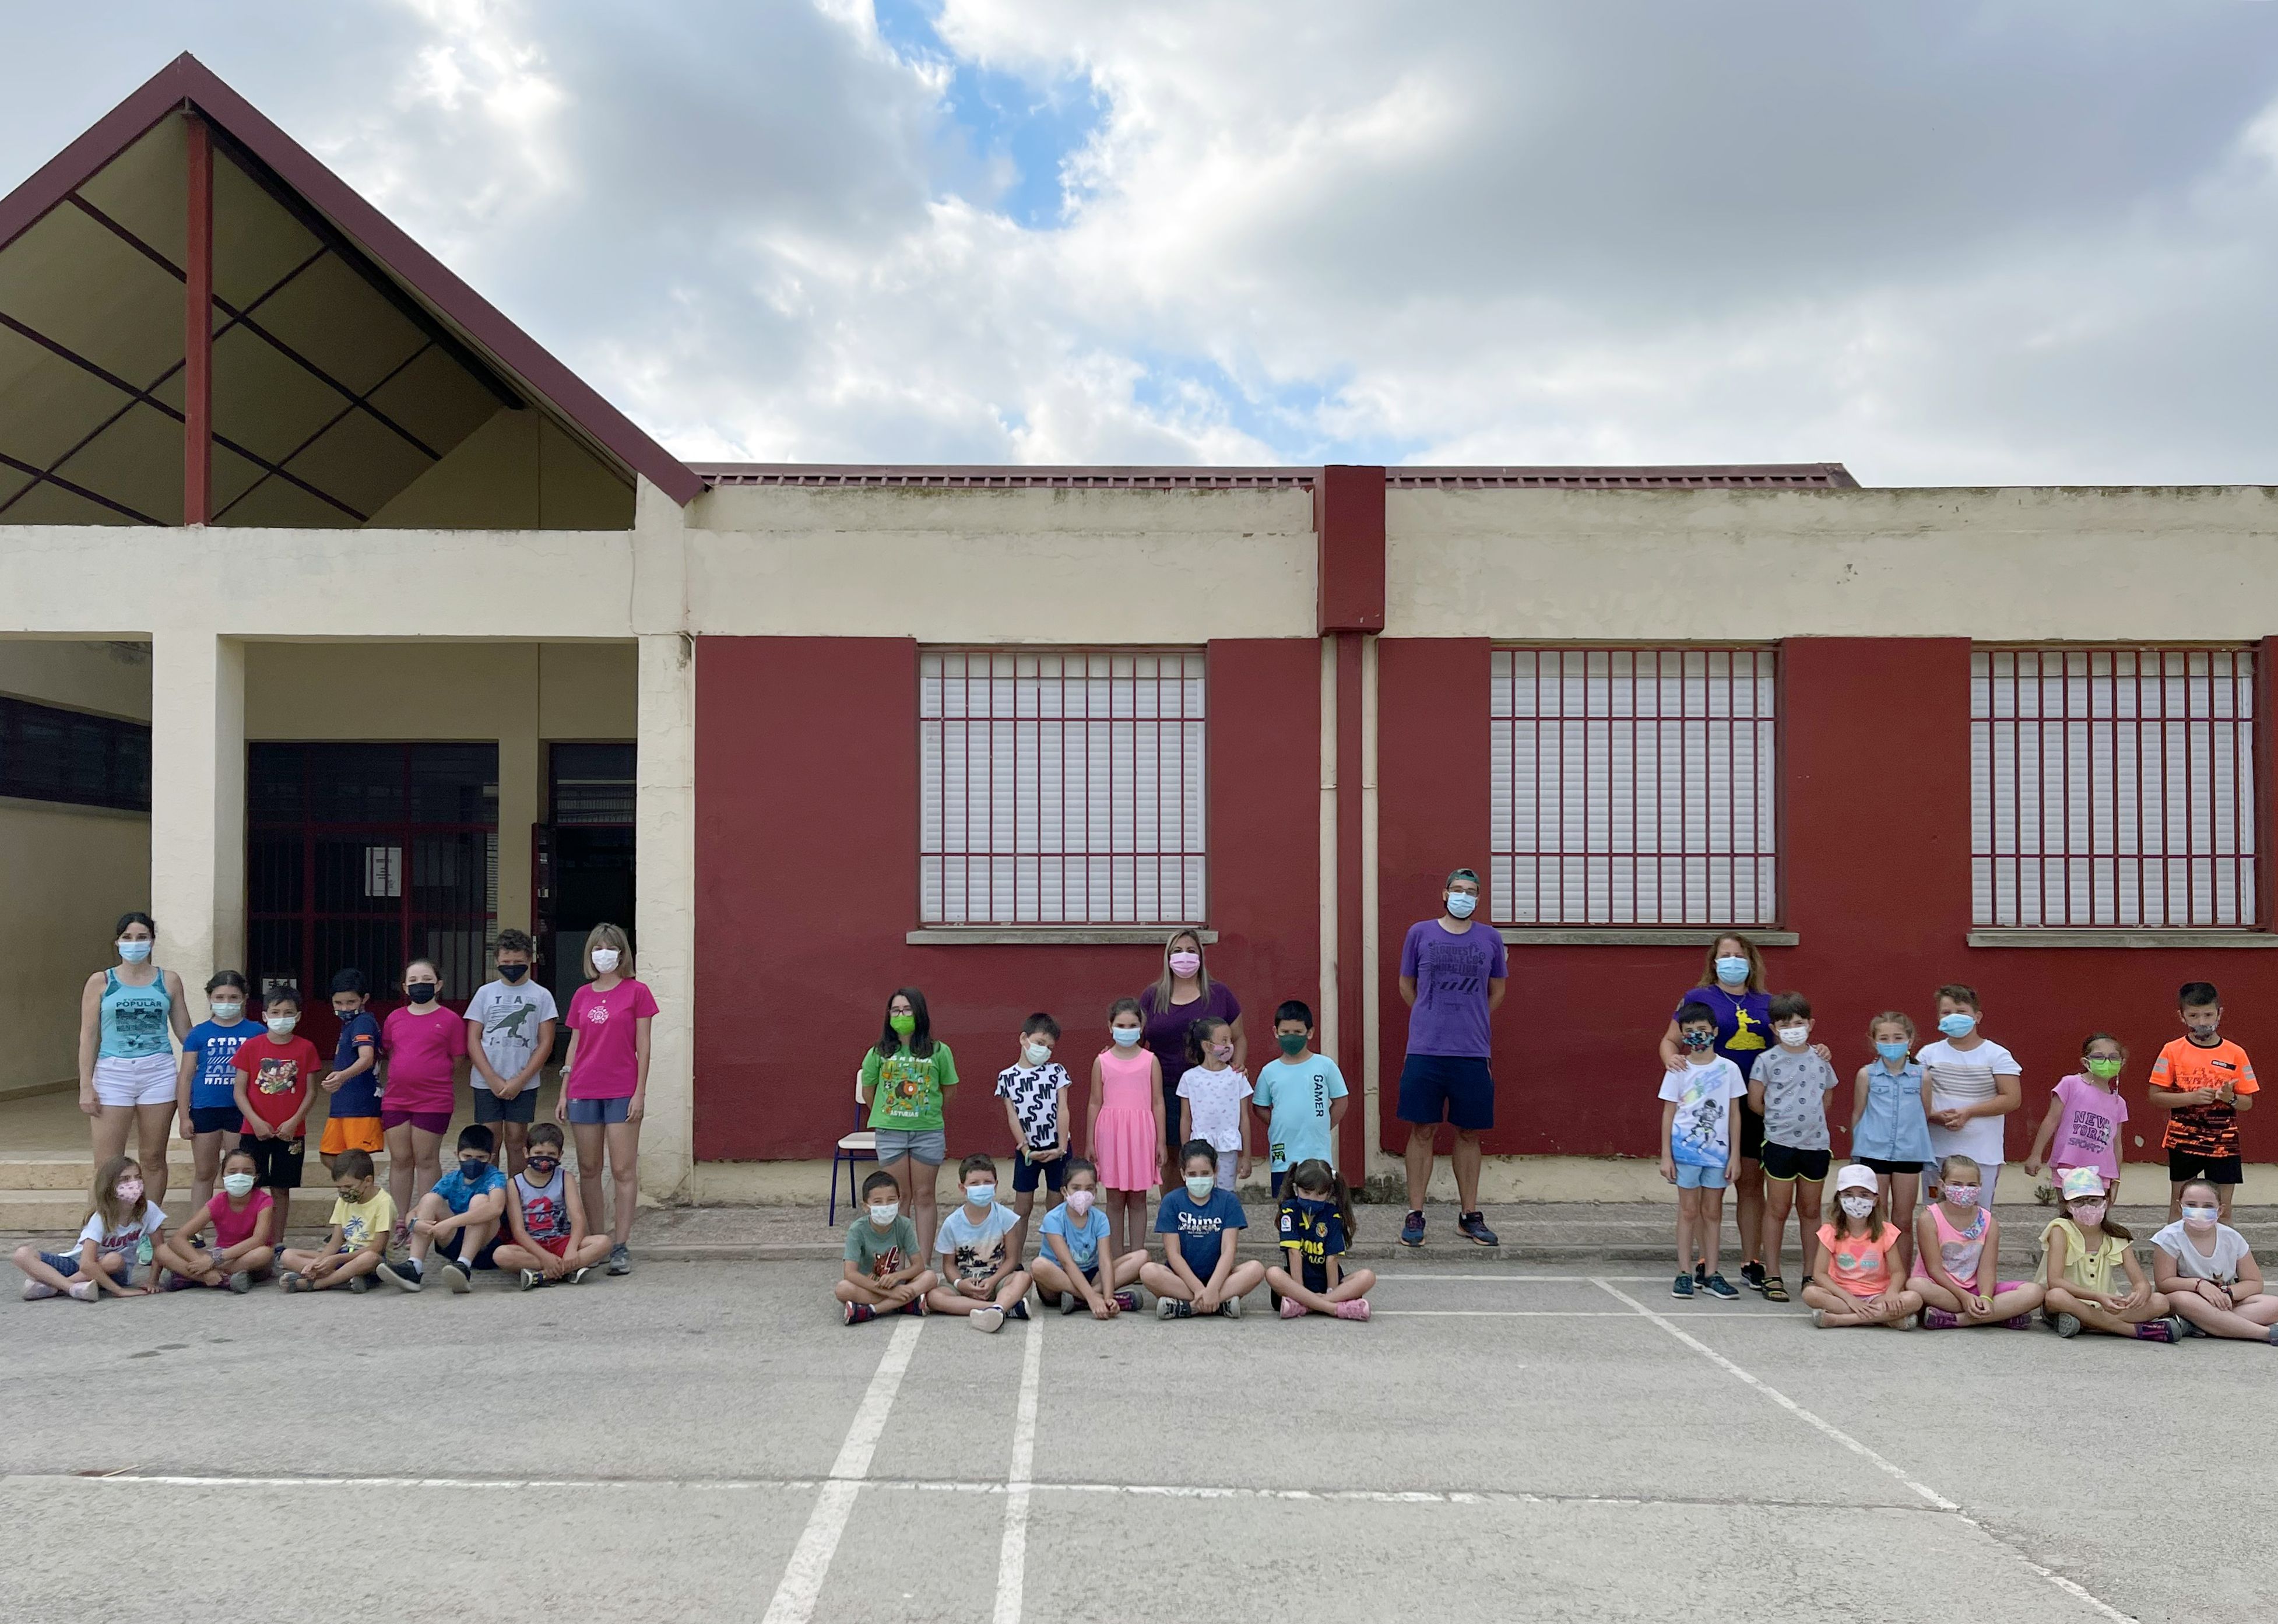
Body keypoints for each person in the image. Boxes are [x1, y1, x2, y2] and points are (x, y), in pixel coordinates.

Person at [1657, 932, 1829, 1293]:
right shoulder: (1697, 997)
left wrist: (1820, 1051)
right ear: (1714, 961)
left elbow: (1790, 1039)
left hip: (1757, 1104)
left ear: (1750, 961)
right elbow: (1671, 1040)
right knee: (1709, 1193)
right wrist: (1671, 1061)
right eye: (1725, 955)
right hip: (1711, 1105)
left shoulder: (1767, 1002)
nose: (1732, 960)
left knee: (1751, 1184)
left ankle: (1753, 1262)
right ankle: (1705, 1260)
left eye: (1739, 955)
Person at [1395, 867, 1508, 1249]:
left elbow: (1497, 991)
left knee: (1469, 1132)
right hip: (1425, 1050)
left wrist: (1468, 1019)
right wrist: (1432, 1016)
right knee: (1422, 1130)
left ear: (1479, 898)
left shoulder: (1490, 938)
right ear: (1444, 894)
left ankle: (1469, 1216)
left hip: (1473, 1052)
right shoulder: (1420, 933)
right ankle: (1415, 1213)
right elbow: (1407, 986)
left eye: (1471, 891)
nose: (1464, 896)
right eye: (1457, 890)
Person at [558, 923, 655, 1276]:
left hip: (621, 1090)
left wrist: (639, 1092)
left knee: (623, 1169)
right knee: (588, 1169)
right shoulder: (582, 995)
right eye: (597, 948)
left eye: (610, 948)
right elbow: (574, 1044)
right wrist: (565, 1089)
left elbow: (643, 1047)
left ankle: (621, 1244)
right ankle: (598, 1240)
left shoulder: (637, 992)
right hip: (584, 1088)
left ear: (622, 953)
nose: (603, 954)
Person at [78, 912, 190, 1212]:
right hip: (113, 1072)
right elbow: (88, 1037)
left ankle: (147, 1230)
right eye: (128, 938)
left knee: (153, 1157)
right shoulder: (101, 981)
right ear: (117, 942)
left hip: (158, 1072)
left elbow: (186, 1033)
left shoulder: (169, 980)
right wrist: (86, 1086)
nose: (135, 944)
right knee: (107, 1162)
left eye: (142, 937)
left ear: (152, 941)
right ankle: (100, 1228)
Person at [1749, 991, 1838, 1303]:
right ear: (1774, 1028)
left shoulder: (1821, 1058)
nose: (1792, 1029)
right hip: (1779, 1144)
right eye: (1785, 1024)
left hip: (1815, 1146)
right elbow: (1755, 1101)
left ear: (1811, 1024)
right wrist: (1781, 1120)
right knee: (1777, 1209)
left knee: (1811, 1210)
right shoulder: (1766, 1061)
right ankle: (1772, 1274)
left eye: (1799, 1023)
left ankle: (1812, 1274)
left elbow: (1827, 1097)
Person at [1138, 930, 1244, 1188]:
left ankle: (1212, 1215)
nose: (1184, 956)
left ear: (1201, 956)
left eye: (1191, 950)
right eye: (1177, 951)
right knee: (1173, 1157)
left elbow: (1239, 1037)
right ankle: (1176, 1218)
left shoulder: (1220, 994)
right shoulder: (1153, 996)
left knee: (1212, 1155)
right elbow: (1137, 1041)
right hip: (1166, 1089)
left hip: (1212, 1089)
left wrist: (1237, 1067)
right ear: (1167, 957)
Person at [857, 985, 954, 1263]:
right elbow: (869, 1091)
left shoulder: (939, 1051)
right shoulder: (878, 1052)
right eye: (896, 1010)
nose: (901, 1015)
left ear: (919, 1013)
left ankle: (922, 1264)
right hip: (891, 1133)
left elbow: (949, 1090)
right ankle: (896, 1263)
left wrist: (926, 1114)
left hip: (928, 1132)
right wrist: (890, 1114)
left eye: (907, 1009)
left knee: (925, 1195)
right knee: (899, 1199)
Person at [2149, 982, 2258, 1223]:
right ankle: (2174, 1259)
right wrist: (2191, 1098)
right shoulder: (2171, 1051)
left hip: (2224, 1142)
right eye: (2194, 1015)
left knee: (2223, 1209)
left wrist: (2229, 1098)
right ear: (2182, 1016)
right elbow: (2155, 1096)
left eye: (2208, 1014)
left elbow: (2247, 1102)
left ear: (2220, 1013)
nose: (2202, 1021)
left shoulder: (2236, 1053)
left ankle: (2224, 1260)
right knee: (2180, 1206)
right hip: (2183, 1140)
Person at [1659, 1001, 1744, 1300]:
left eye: (1703, 1031)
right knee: (1688, 1211)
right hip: (1685, 1155)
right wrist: (1666, 1155)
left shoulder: (1729, 1069)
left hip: (1717, 1156)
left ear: (1715, 1032)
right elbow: (1669, 1113)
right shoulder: (1678, 1069)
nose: (1697, 1036)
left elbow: (1734, 1114)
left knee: (1713, 1213)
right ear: (1682, 1035)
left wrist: (1734, 1155)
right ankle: (1683, 1272)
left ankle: (1710, 1273)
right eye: (1690, 1032)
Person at [2038, 1167, 2180, 1342]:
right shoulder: (2060, 1229)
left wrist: (2141, 1292)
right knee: (2055, 1296)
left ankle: (2086, 1323)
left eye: (2093, 1201)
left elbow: (2140, 1282)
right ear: (2067, 1205)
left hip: (2105, 1305)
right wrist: (2098, 1296)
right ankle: (2131, 1330)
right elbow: (2055, 1281)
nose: (2087, 1207)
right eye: (2079, 1202)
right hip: (2069, 1302)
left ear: (2106, 1201)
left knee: (2161, 1302)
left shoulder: (2116, 1236)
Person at [1908, 1155, 2041, 1329]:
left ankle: (1957, 1319)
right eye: (1956, 1184)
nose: (1964, 1190)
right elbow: (1934, 1270)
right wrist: (1964, 1297)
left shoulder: (1988, 1221)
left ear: (1980, 1187)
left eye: (1971, 1185)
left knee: (2035, 1292)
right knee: (1915, 1285)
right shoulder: (1930, 1219)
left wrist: (1985, 1297)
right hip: (1942, 1288)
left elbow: (1987, 1269)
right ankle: (1999, 1316)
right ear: (1942, 1185)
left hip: (1976, 1289)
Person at [1917, 984, 2022, 1207]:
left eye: (1961, 1012)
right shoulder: (1928, 1054)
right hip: (1936, 1153)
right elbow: (1914, 1097)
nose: (1954, 1017)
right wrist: (1934, 1116)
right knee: (1935, 1215)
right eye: (1946, 1013)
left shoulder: (1997, 1055)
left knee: (1978, 1219)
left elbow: (2012, 1098)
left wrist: (1969, 1113)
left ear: (1977, 1016)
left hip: (1982, 1154)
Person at [381, 958, 467, 1226]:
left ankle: (425, 1218)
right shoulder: (394, 1018)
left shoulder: (451, 1020)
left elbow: (457, 1059)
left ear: (439, 985)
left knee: (427, 1159)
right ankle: (400, 1221)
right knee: (401, 1159)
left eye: (427, 981)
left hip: (434, 1100)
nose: (421, 986)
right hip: (396, 1099)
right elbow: (390, 1051)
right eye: (414, 982)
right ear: (405, 987)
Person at [464, 930, 557, 1177]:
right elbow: (473, 1038)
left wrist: (520, 1080)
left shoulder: (541, 995)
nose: (512, 967)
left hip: (523, 1084)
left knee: (517, 1141)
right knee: (490, 1143)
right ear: (497, 961)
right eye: (506, 963)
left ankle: (516, 1195)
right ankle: (492, 1196)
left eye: (518, 963)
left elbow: (546, 1042)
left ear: (529, 960)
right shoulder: (485, 993)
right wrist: (492, 1078)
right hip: (486, 1082)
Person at [1850, 1011, 1934, 1277]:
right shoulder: (1867, 1075)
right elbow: (1858, 1113)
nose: (1891, 1042)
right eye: (1884, 1038)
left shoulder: (1922, 1076)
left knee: (1902, 1220)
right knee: (1877, 1216)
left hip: (1909, 1153)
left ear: (1910, 1041)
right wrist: (1857, 1150)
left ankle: (1903, 1276)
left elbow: (1926, 1111)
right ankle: (1877, 1273)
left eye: (1898, 1037)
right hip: (1873, 1151)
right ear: (1874, 1042)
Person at [13, 1154, 164, 1302]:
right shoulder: (100, 1217)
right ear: (110, 1185)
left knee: (114, 1259)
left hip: (115, 1272)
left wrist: (153, 1281)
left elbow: (160, 1249)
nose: (134, 1183)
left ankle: (54, 1287)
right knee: (22, 1254)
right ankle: (71, 1288)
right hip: (77, 1265)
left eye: (138, 1177)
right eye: (125, 1179)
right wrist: (119, 1292)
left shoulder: (148, 1210)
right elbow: (86, 1264)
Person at [1142, 1141, 1265, 1319]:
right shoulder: (1171, 1202)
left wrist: (1213, 1288)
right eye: (1192, 1174)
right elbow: (1173, 1254)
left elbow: (1228, 1251)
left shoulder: (1228, 1201)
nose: (1199, 1179)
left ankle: (1188, 1307)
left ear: (1215, 1171)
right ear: (1183, 1174)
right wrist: (1200, 1290)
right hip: (1182, 1280)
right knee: (1148, 1272)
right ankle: (1219, 1304)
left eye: (1205, 1173)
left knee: (1256, 1269)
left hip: (1220, 1280)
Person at [383, 1123, 508, 1293]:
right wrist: (413, 1224)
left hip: (486, 1247)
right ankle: (414, 1266)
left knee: (480, 1201)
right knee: (430, 1199)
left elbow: (496, 1208)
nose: (473, 1162)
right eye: (467, 1156)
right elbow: (415, 1211)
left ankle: (464, 1266)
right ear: (457, 1155)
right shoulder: (452, 1179)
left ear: (491, 1157)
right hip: (453, 1241)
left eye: (480, 1158)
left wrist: (451, 1223)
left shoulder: (495, 1177)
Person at [174, 971, 260, 1217]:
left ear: (244, 998)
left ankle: (239, 1225)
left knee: (239, 1171)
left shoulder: (256, 1032)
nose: (226, 1003)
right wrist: (184, 1117)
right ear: (210, 998)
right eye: (220, 997)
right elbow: (186, 1076)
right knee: (204, 1172)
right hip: (204, 1109)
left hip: (241, 1110)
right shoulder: (198, 1034)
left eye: (233, 997)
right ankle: (196, 1228)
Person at [230, 986, 320, 1214]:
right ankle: (252, 1239)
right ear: (265, 1016)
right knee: (252, 1187)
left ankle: (277, 1241)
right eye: (276, 1012)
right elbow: (239, 1091)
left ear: (298, 1016)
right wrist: (255, 1122)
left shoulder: (307, 1048)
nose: (282, 1018)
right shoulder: (251, 1047)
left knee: (282, 1188)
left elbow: (311, 1092)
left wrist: (294, 1122)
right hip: (254, 1130)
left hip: (291, 1132)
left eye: (288, 1013)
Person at [2152, 1179, 2278, 1342]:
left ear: (2220, 1210)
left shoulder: (2232, 1238)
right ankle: (2265, 1334)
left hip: (2223, 1300)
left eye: (2208, 1206)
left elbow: (2254, 1282)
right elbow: (2164, 1283)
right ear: (2180, 1206)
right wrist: (2199, 1285)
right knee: (2182, 1299)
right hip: (2186, 1299)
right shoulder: (2168, 1237)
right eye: (2191, 1205)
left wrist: (2227, 1293)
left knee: (2274, 1305)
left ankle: (2198, 1326)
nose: (2199, 1211)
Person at [1801, 1165, 1922, 1330]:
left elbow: (1898, 1272)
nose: (1856, 1200)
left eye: (1864, 1195)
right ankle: (1885, 1319)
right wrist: (1850, 1299)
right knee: (1810, 1294)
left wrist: (1893, 1292)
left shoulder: (1886, 1231)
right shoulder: (1829, 1232)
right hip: (1842, 1296)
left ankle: (1841, 1320)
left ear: (1875, 1199)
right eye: (1848, 1195)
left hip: (1878, 1295)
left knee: (1914, 1299)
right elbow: (1820, 1274)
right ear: (1839, 1198)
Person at [994, 1012, 1071, 1265]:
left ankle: (1054, 1257)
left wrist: (1061, 1147)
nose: (1045, 1050)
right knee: (1023, 1206)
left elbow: (1063, 1108)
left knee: (1057, 1205)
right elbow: (1012, 1117)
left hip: (1058, 1148)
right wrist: (1026, 1149)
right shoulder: (1007, 1077)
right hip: (1027, 1150)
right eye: (1040, 1043)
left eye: (1050, 1047)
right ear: (1024, 1039)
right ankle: (1013, 1259)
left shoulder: (1057, 1071)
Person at [1250, 1000, 1348, 1197]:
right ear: (1275, 1032)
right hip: (1283, 1153)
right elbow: (1259, 1107)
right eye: (1285, 1032)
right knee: (1286, 1206)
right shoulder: (1269, 1072)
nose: (1291, 1037)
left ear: (1309, 1033)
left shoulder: (1325, 1066)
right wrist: (1278, 1122)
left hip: (1317, 1152)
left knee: (1319, 1204)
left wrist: (1322, 1123)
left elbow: (1341, 1101)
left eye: (1297, 1032)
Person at [494, 1123, 611, 1287]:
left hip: (561, 1240)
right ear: (526, 1153)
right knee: (501, 1255)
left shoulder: (566, 1178)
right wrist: (545, 1257)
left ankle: (541, 1276)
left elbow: (578, 1218)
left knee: (603, 1242)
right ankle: (566, 1271)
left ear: (560, 1155)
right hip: (531, 1245)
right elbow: (518, 1231)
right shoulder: (514, 1184)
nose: (544, 1159)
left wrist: (571, 1249)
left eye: (551, 1154)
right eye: (538, 1153)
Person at [926, 1155, 1032, 1333]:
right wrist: (960, 1284)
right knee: (934, 1297)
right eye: (974, 1183)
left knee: (1024, 1278)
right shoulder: (952, 1223)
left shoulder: (1006, 1217)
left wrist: (993, 1281)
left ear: (996, 1185)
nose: (981, 1187)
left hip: (997, 1281)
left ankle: (997, 1307)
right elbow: (948, 1265)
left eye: (987, 1182)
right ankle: (999, 1308)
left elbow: (1012, 1259)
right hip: (965, 1283)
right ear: (963, 1188)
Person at [2023, 1034, 2131, 1209]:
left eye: (2113, 1057)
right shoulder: (2070, 1084)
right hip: (2068, 1166)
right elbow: (2051, 1119)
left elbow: (2117, 1144)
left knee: (2095, 1220)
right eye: (2098, 1057)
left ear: (2121, 1062)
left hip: (2101, 1173)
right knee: (2068, 1216)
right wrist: (2036, 1155)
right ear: (2085, 1061)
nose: (2106, 1062)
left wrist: (2116, 1179)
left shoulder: (2119, 1103)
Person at [1088, 997, 1161, 1257]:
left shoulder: (1151, 1060)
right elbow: (1095, 1102)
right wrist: (1090, 1141)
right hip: (1111, 1133)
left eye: (1132, 1025)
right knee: (1115, 1198)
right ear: (1110, 1026)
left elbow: (1157, 1101)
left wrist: (1161, 1141)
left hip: (1142, 1133)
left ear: (1141, 1027)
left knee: (1139, 1198)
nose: (1126, 1030)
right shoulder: (1102, 1061)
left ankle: (1137, 1256)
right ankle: (1117, 1258)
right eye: (1121, 1024)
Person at [1031, 1158, 1145, 1317]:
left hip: (1092, 1275)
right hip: (1059, 1281)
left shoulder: (1100, 1219)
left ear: (1095, 1192)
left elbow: (1105, 1261)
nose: (1082, 1194)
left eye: (1089, 1189)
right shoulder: (1053, 1219)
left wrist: (1108, 1297)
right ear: (1064, 1191)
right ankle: (1089, 1298)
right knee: (1038, 1266)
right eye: (1076, 1188)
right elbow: (1067, 1263)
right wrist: (1093, 1299)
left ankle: (1081, 1300)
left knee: (1142, 1257)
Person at [153, 1145, 275, 1293]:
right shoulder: (218, 1202)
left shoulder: (264, 1201)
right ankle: (219, 1280)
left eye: (247, 1172)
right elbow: (178, 1238)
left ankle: (187, 1276)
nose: (240, 1176)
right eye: (233, 1172)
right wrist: (202, 1264)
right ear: (223, 1176)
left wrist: (213, 1261)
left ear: (256, 1177)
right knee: (162, 1250)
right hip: (220, 1255)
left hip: (243, 1256)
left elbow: (258, 1240)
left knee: (264, 1254)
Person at [1265, 1158, 1375, 1321]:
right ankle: (1335, 1309)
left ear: (1329, 1193)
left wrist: (1331, 1291)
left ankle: (1307, 1306)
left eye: (1319, 1194)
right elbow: (1294, 1253)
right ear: (1296, 1189)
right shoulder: (1290, 1210)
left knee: (1368, 1276)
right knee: (1273, 1273)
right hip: (1296, 1285)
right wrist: (1300, 1291)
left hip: (1330, 1287)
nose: (1312, 1199)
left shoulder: (1332, 1215)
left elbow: (1332, 1259)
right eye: (1307, 1193)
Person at [278, 1148, 393, 1295]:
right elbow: (335, 1242)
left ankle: (317, 1284)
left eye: (349, 1187)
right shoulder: (342, 1201)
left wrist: (336, 1259)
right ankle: (342, 1280)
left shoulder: (383, 1202)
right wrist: (318, 1262)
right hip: (343, 1255)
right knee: (287, 1256)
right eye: (339, 1187)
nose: (344, 1191)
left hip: (366, 1259)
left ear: (368, 1181)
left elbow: (377, 1248)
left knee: (369, 1259)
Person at [836, 1169, 937, 1324]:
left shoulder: (903, 1224)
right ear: (866, 1206)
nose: (885, 1206)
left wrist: (897, 1277)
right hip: (870, 1286)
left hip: (896, 1283)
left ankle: (871, 1310)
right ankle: (905, 1304)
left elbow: (919, 1266)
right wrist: (891, 1292)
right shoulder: (857, 1230)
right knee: (843, 1289)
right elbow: (850, 1274)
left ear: (899, 1200)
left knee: (930, 1277)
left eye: (891, 1200)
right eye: (878, 1202)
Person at [318, 969, 384, 1177]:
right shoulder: (348, 1025)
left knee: (358, 1160)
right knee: (329, 1155)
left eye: (351, 1002)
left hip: (361, 1104)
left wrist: (341, 1076)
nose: (344, 1008)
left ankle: (363, 1194)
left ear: (364, 999)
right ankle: (353, 1189)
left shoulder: (363, 1022)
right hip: (342, 1104)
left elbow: (366, 1058)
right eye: (338, 1003)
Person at [1176, 1015, 1252, 1193]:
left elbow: (1244, 1118)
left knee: (1226, 1193)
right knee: (1200, 1191)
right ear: (1207, 1046)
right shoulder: (1190, 1078)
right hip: (1199, 1147)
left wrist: (1247, 1157)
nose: (1229, 1046)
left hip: (1228, 1147)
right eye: (1223, 1041)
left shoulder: (1237, 1077)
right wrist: (1185, 1152)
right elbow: (1185, 1119)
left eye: (1230, 1040)